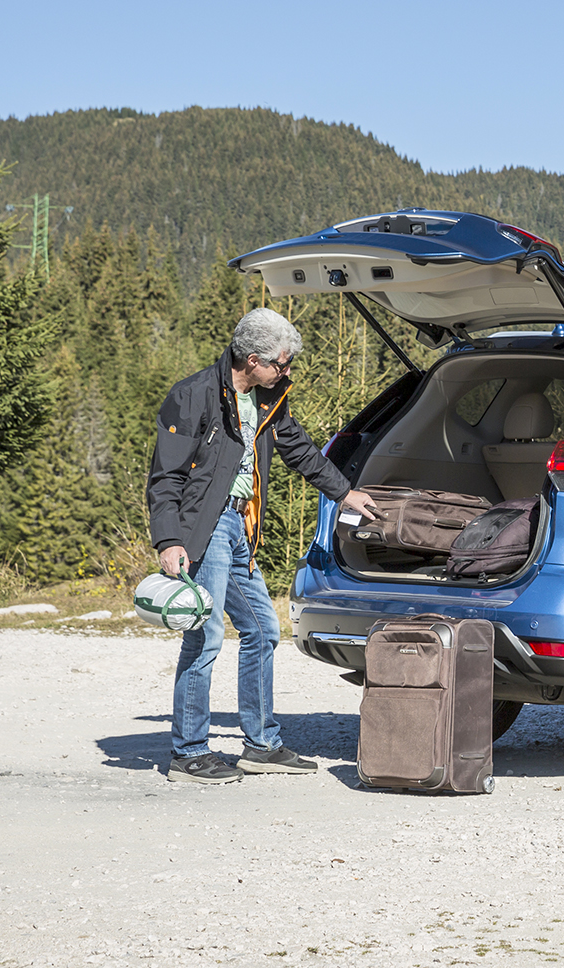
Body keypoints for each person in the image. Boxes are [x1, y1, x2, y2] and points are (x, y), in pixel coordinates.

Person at [147, 307, 382, 785]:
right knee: (205, 635)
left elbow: (298, 448)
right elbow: (165, 477)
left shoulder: (269, 396)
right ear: (252, 360)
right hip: (206, 528)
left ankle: (261, 746)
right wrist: (169, 540)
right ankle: (188, 754)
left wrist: (344, 493)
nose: (287, 371)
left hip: (241, 526)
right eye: (282, 363)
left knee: (262, 629)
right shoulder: (193, 396)